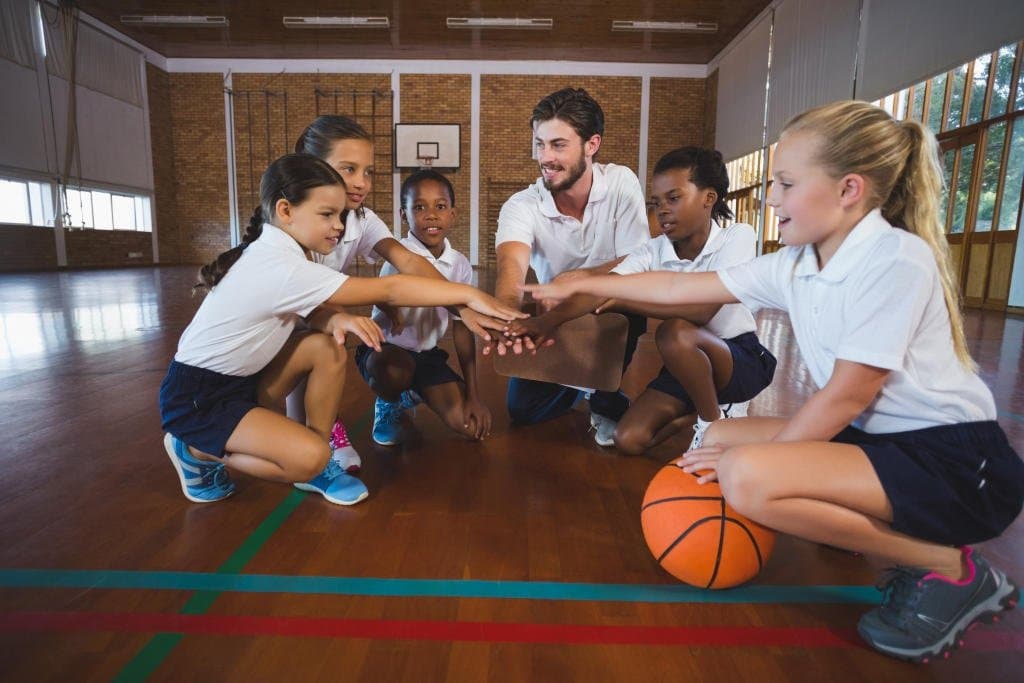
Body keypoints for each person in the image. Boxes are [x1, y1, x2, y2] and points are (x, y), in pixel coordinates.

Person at [524, 100, 1023, 663]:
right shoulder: (798, 263)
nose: (770, 198)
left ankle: (950, 570)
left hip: (956, 464)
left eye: (786, 183)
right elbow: (677, 289)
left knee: (746, 480)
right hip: (883, 443)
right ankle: (895, 540)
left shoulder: (894, 259)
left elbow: (849, 393)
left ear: (848, 189)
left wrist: (775, 464)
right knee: (719, 442)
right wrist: (576, 289)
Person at [159, 153, 523, 507]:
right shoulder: (280, 264)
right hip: (199, 398)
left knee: (326, 346)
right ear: (285, 211)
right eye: (327, 214)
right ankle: (194, 449)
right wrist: (471, 296)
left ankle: (319, 461)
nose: (338, 225)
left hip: (239, 382)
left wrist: (335, 319)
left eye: (340, 215)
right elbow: (391, 288)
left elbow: (309, 311)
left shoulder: (284, 253)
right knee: (306, 458)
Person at [508, 147, 776, 454]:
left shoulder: (737, 237)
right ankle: (703, 413)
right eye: (656, 202)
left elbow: (700, 311)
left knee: (674, 331)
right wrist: (545, 322)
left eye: (673, 198)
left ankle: (712, 422)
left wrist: (625, 300)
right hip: (685, 366)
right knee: (629, 440)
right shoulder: (652, 251)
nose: (662, 210)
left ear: (709, 198)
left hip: (737, 359)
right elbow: (602, 288)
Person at [291, 116, 508, 471]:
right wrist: (465, 299)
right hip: (255, 346)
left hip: (402, 350)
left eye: (368, 171)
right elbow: (384, 287)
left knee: (323, 339)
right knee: (318, 341)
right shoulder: (293, 228)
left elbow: (405, 261)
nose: (361, 182)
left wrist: (462, 306)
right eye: (349, 169)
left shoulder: (360, 219)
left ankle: (313, 441)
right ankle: (316, 441)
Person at [493, 87, 651, 445]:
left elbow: (640, 261)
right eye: (539, 144)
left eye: (558, 145)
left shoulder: (622, 183)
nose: (545, 157)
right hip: (556, 318)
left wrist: (577, 280)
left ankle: (604, 394)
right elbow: (511, 269)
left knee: (633, 298)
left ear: (591, 144)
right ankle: (593, 388)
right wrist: (506, 315)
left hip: (611, 310)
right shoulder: (522, 205)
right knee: (523, 410)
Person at [356, 170, 491, 444]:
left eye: (440, 207)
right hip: (386, 353)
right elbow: (385, 295)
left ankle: (413, 391)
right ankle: (389, 400)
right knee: (395, 373)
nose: (431, 215)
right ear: (404, 215)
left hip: (427, 356)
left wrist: (474, 395)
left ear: (452, 213)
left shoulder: (460, 264)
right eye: (419, 207)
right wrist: (389, 306)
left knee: (470, 426)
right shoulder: (398, 256)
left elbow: (463, 331)